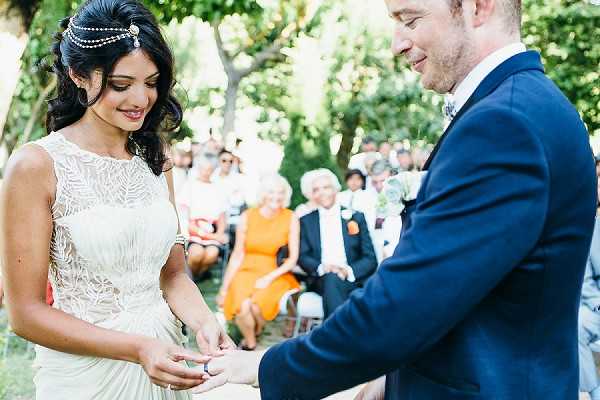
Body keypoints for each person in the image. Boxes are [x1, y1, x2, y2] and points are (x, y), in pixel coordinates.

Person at [192, 0, 597, 399]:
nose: (396, 44)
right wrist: (393, 379)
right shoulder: (528, 104)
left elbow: (410, 302)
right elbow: (472, 285)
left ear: (477, 7)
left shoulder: (503, 124)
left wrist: (266, 366)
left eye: (409, 19)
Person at [0, 1, 234, 398]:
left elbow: (173, 275)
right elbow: (26, 315)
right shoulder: (36, 165)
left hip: (165, 358)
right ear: (78, 75)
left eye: (153, 81)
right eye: (121, 85)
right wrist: (138, 349)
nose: (142, 99)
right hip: (88, 375)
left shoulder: (156, 157)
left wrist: (203, 322)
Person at [218, 174, 300, 351]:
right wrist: (224, 288)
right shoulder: (248, 216)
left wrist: (269, 278)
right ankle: (251, 344)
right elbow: (238, 254)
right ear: (263, 194)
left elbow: (293, 259)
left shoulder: (290, 217)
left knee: (256, 306)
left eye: (281, 192)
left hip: (275, 271)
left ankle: (253, 334)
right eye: (271, 192)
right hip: (246, 268)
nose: (276, 197)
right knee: (242, 305)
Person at [297, 169, 377, 318]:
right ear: (311, 194)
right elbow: (303, 256)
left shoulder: (355, 217)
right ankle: (340, 336)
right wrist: (323, 268)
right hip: (321, 279)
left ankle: (332, 336)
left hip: (354, 278)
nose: (322, 193)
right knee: (331, 280)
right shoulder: (305, 221)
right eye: (316, 189)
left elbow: (370, 258)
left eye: (326, 187)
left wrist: (347, 271)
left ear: (336, 189)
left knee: (336, 284)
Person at [178, 156, 229, 278]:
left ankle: (198, 277)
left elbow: (222, 215)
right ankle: (188, 280)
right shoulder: (189, 186)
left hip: (212, 230)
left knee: (212, 254)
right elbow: (185, 218)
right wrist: (211, 236)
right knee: (196, 254)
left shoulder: (218, 188)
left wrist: (219, 234)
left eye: (210, 169)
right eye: (203, 169)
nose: (207, 172)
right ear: (198, 168)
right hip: (194, 232)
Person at [579, 157, 600, 400]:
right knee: (576, 325)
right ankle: (595, 393)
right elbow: (585, 280)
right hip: (595, 308)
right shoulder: (590, 225)